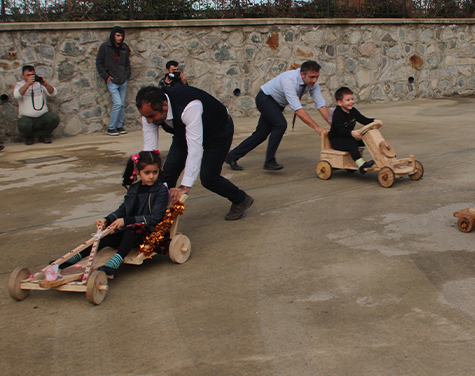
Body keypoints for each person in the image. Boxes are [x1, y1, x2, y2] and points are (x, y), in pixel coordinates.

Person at [136, 85, 254, 221]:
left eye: (151, 116)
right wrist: (145, 171)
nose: (149, 121)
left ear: (164, 105)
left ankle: (241, 199)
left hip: (218, 132)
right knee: (167, 173)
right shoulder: (150, 113)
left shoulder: (189, 106)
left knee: (209, 178)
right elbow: (150, 150)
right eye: (146, 117)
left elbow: (195, 150)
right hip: (184, 132)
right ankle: (156, 216)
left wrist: (184, 188)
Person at [60, 150, 169, 276]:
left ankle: (114, 263)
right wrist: (108, 219)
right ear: (138, 172)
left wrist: (126, 221)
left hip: (150, 231)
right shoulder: (134, 189)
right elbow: (123, 209)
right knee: (105, 237)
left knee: (131, 230)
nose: (151, 176)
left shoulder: (160, 190)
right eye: (147, 172)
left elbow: (155, 217)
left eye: (155, 172)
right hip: (131, 229)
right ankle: (75, 258)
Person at [226, 60, 331, 171]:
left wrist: (332, 123)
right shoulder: (289, 80)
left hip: (277, 105)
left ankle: (232, 156)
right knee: (280, 124)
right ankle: (269, 161)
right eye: (312, 77)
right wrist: (317, 127)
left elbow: (321, 105)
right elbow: (298, 110)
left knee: (261, 134)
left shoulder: (313, 83)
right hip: (265, 99)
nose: (315, 80)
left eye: (317, 77)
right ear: (302, 74)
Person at [328, 86, 380, 174]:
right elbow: (340, 130)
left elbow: (363, 119)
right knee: (351, 143)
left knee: (367, 139)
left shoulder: (352, 111)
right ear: (340, 102)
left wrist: (374, 121)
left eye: (352, 99)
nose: (351, 102)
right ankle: (361, 165)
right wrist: (351, 132)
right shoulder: (337, 114)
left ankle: (382, 157)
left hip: (349, 137)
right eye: (348, 100)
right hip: (337, 140)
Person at [95, 26, 131, 135]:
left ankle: (119, 126)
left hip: (123, 80)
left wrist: (126, 75)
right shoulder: (105, 47)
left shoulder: (124, 48)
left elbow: (127, 64)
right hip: (112, 80)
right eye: (118, 35)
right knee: (118, 103)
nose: (120, 38)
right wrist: (106, 77)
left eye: (121, 35)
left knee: (122, 104)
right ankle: (111, 127)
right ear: (113, 36)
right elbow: (99, 63)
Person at [14, 65, 60, 145]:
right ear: (22, 76)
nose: (31, 77)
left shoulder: (39, 84)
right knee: (22, 124)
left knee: (54, 118)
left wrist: (45, 84)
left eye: (32, 74)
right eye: (28, 75)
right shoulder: (20, 85)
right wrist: (27, 84)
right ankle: (29, 137)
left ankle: (44, 135)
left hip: (42, 116)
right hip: (27, 118)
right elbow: (17, 95)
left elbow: (53, 93)